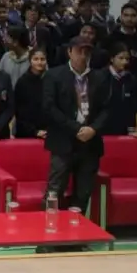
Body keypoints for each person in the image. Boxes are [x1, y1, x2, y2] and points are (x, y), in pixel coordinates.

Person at [42, 36, 111, 217]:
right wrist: (76, 128)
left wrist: (93, 129)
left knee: (83, 193)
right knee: (54, 191)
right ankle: (48, 237)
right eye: (79, 51)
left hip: (90, 143)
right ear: (69, 52)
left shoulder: (100, 77)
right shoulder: (54, 75)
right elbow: (49, 108)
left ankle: (76, 237)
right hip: (63, 141)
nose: (83, 55)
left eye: (87, 51)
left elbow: (107, 109)